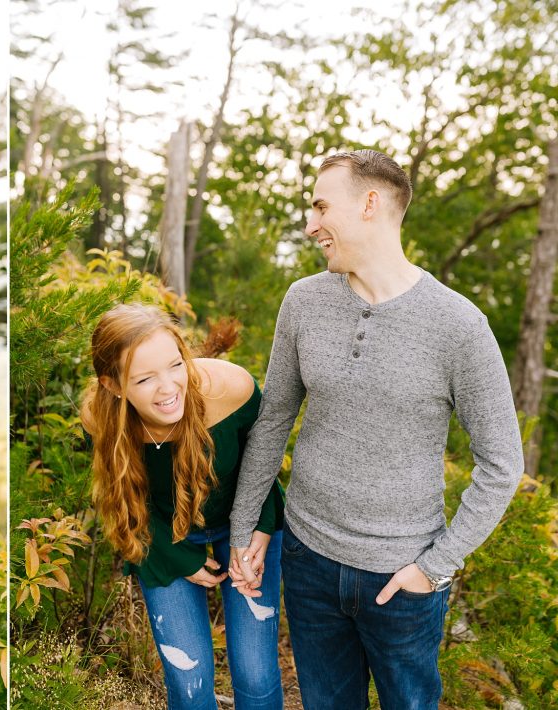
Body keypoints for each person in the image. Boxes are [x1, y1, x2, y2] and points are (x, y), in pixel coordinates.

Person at [228, 149, 524, 709]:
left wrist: (433, 568)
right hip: (309, 562)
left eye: (320, 207)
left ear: (370, 203)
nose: (310, 224)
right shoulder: (304, 302)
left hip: (402, 580)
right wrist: (246, 528)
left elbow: (503, 462)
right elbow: (272, 422)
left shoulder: (459, 325)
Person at [81, 303, 285, 710]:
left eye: (175, 365)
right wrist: (177, 557)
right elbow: (128, 501)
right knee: (187, 679)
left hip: (245, 520)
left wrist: (259, 529)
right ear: (114, 384)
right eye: (143, 378)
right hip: (160, 534)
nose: (168, 387)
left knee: (255, 671)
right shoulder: (100, 419)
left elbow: (261, 465)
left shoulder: (233, 391)